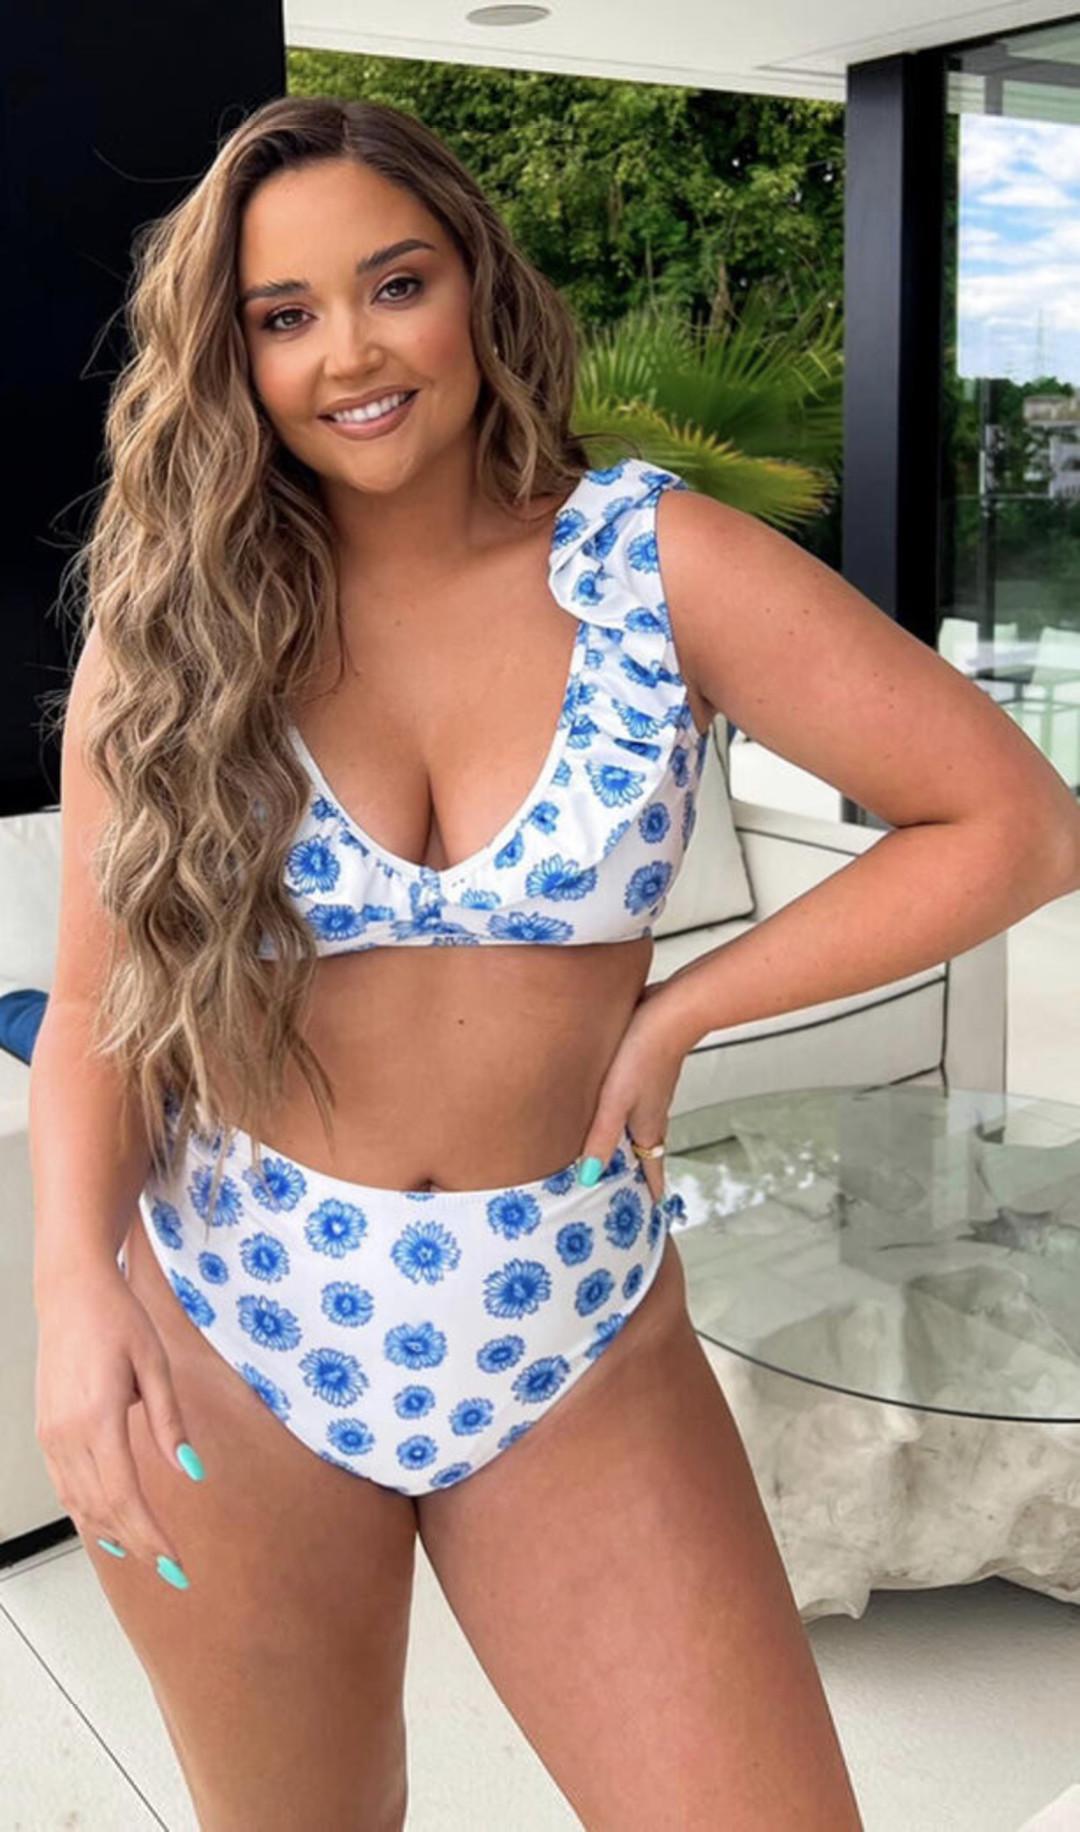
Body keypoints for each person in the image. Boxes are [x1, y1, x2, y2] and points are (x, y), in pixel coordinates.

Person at [29, 93, 1079, 1832]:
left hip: (569, 1317)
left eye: (396, 284)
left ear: (477, 287)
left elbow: (1014, 823)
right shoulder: (178, 627)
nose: (352, 354)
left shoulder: (654, 565)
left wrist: (684, 1010)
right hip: (236, 1315)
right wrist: (74, 1293)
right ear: (233, 358)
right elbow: (98, 1008)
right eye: (285, 316)